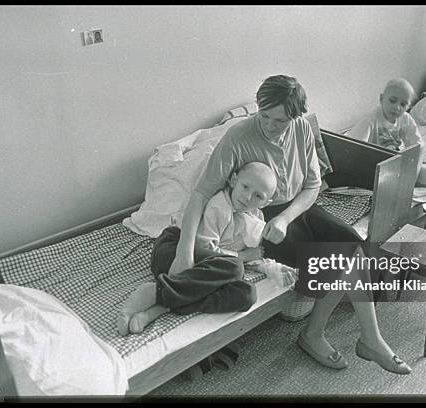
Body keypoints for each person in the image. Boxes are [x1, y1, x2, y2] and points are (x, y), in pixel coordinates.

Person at [167, 74, 411, 374]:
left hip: (295, 209)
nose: (270, 125)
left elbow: (312, 185)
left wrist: (286, 217)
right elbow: (202, 193)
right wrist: (184, 252)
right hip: (258, 217)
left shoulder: (302, 130)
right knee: (336, 259)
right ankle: (324, 336)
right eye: (264, 115)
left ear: (294, 117)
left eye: (280, 120)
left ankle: (364, 337)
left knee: (351, 240)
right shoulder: (238, 136)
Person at [117, 161, 295, 335]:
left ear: (266, 202)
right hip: (174, 251)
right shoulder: (220, 206)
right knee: (235, 267)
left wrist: (272, 267)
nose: (248, 197)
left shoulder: (255, 216)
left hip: (198, 270)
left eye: (258, 196)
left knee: (246, 295)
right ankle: (154, 293)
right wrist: (242, 256)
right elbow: (206, 247)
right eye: (245, 187)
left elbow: (245, 256)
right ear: (234, 181)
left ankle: (162, 304)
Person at [347, 78, 426, 191]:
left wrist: (413, 173)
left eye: (403, 104)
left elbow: (418, 146)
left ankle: (406, 183)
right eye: (392, 101)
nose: (397, 107)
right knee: (377, 180)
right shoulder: (370, 120)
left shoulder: (406, 119)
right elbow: (354, 147)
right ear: (381, 99)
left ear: (408, 107)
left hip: (397, 163)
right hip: (374, 165)